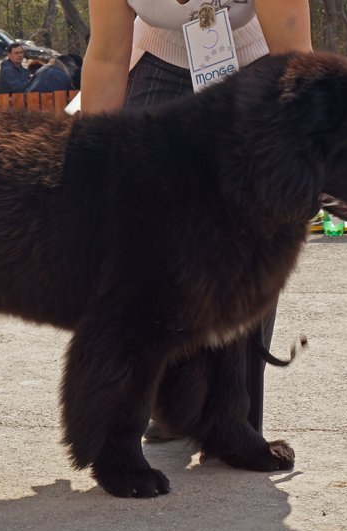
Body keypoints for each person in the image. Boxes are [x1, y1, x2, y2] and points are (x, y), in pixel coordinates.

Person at [81, 0, 313, 438]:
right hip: (160, 56)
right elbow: (107, 57)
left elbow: (294, 54)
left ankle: (233, 416)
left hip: (258, 56)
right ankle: (175, 402)